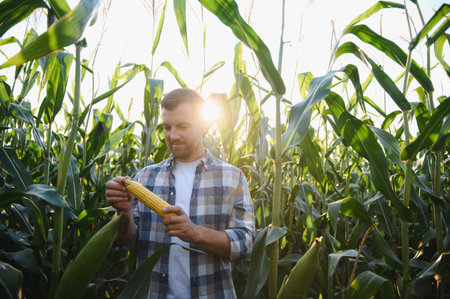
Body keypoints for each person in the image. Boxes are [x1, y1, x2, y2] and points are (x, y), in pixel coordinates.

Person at [105, 88, 255, 298]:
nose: (172, 136)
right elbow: (126, 240)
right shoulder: (145, 177)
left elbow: (246, 242)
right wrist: (124, 211)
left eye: (182, 126)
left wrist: (195, 233)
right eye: (167, 127)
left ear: (203, 124)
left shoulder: (232, 177)